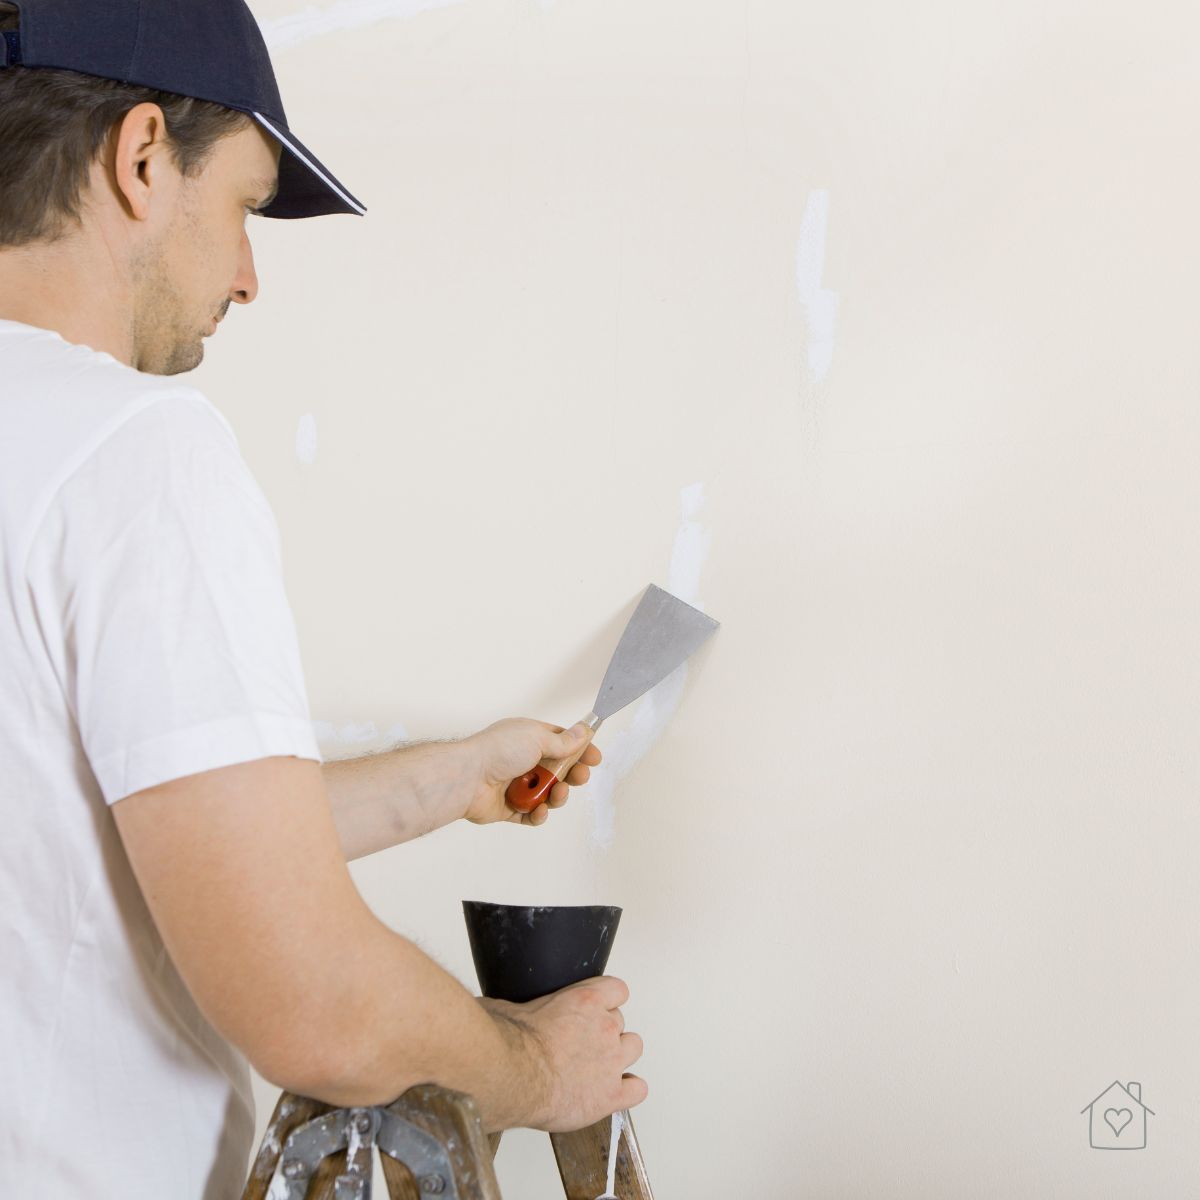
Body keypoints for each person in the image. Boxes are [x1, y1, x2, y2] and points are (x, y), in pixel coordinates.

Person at [0, 2, 646, 1196]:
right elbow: (316, 1006)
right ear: (141, 157)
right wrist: (538, 1070)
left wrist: (445, 779)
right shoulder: (135, 453)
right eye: (245, 207)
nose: (249, 279)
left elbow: (100, 833)